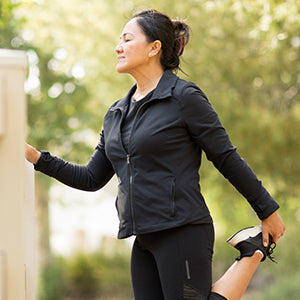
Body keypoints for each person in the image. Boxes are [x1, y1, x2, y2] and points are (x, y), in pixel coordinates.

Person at [26, 9, 285, 300]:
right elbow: (91, 177)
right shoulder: (116, 114)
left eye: (127, 39)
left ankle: (251, 253)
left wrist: (268, 212)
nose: (118, 46)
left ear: (154, 47)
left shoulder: (184, 98)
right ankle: (251, 249)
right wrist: (37, 158)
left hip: (183, 231)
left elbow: (226, 157)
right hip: (143, 238)